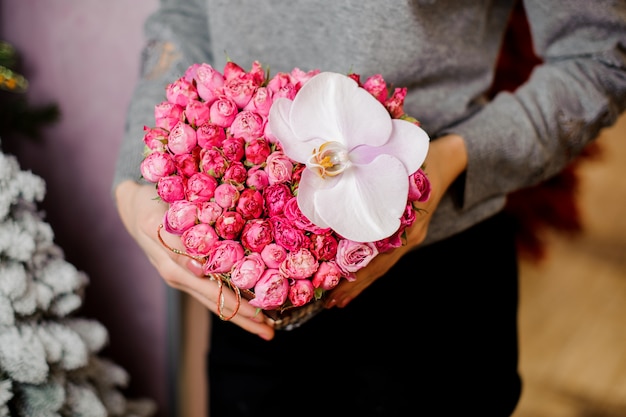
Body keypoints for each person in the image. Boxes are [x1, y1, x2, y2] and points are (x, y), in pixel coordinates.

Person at [112, 1, 626, 415]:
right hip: (254, 288)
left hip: (431, 298)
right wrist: (134, 189)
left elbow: (601, 58)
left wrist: (441, 165)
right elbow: (182, 18)